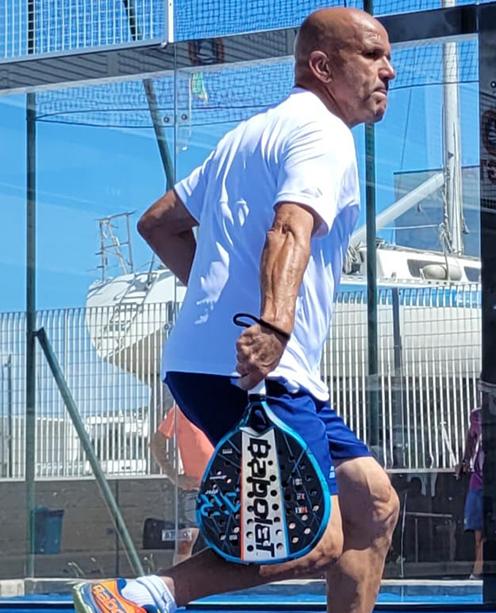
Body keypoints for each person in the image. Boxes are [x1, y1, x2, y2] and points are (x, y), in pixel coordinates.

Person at [72, 8, 398, 613]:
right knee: (317, 537)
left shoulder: (246, 136)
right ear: (323, 66)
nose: (390, 70)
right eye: (373, 56)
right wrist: (270, 323)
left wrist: (218, 303)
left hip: (217, 362)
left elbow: (159, 224)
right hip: (257, 368)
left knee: (372, 504)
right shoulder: (324, 134)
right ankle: (142, 597)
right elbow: (289, 228)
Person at [150, 404, 214, 564]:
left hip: (225, 487)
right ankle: (179, 583)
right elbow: (156, 443)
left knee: (227, 541)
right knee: (185, 542)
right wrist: (174, 476)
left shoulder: (219, 404)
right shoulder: (181, 409)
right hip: (194, 489)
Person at [455, 395, 485, 580]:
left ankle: (479, 570)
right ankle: (478, 570)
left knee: (490, 531)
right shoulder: (476, 415)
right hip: (478, 480)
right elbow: (470, 438)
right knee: (477, 531)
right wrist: (465, 460)